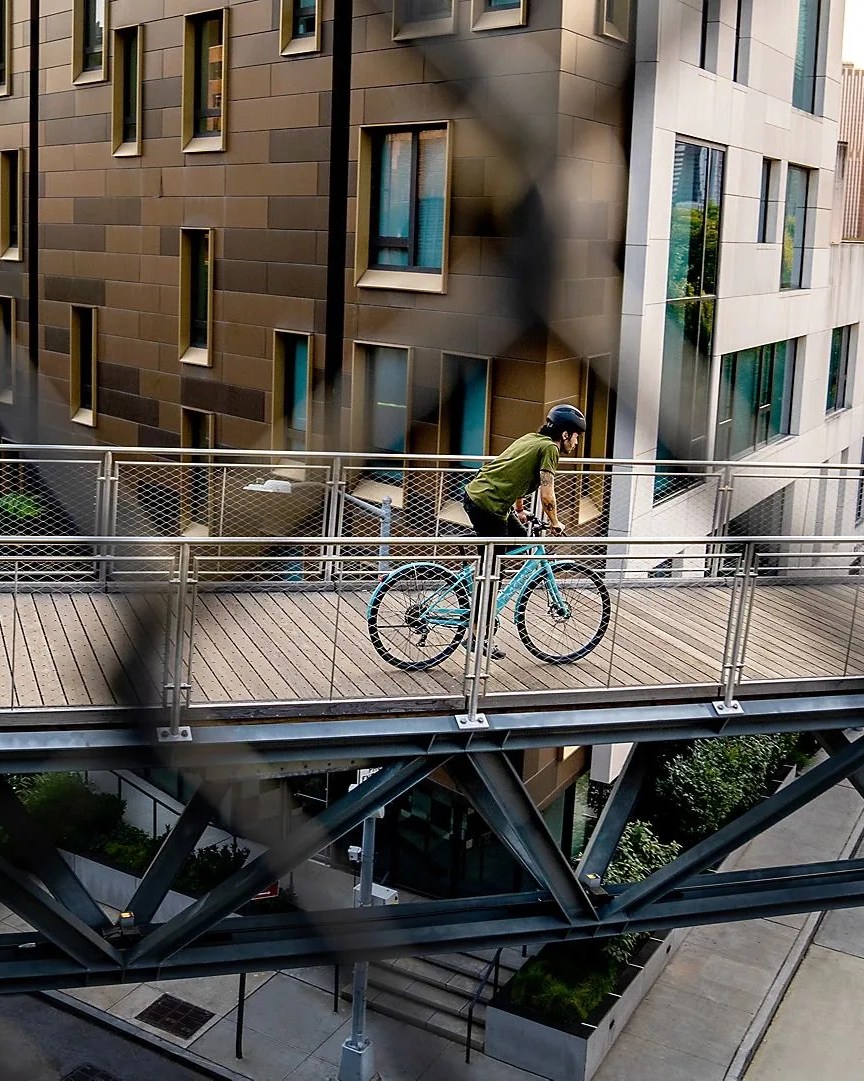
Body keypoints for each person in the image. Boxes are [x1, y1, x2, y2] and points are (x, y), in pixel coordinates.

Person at [462, 403, 586, 658]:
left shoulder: (532, 439)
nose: (576, 442)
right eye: (576, 436)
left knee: (517, 542)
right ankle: (475, 634)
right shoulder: (551, 449)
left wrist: (519, 509)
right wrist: (554, 522)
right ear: (565, 434)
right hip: (489, 506)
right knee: (495, 572)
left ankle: (478, 567)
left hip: (483, 498)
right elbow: (547, 492)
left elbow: (514, 473)